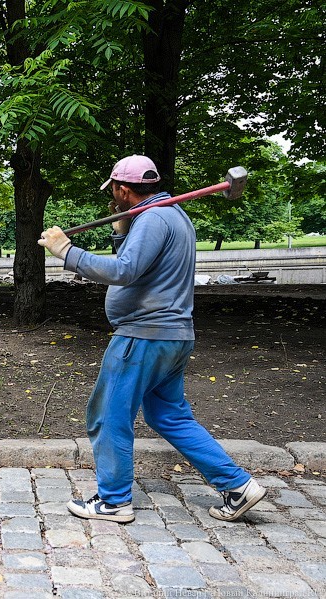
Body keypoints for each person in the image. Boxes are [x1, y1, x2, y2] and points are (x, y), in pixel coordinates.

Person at [37, 155, 266, 524]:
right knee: (168, 416)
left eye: (113, 189)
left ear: (123, 189)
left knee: (108, 414)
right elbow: (140, 263)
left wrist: (65, 250)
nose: (112, 195)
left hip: (143, 336)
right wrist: (124, 228)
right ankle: (237, 485)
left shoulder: (155, 217)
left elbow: (123, 271)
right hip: (172, 335)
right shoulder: (170, 215)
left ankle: (113, 502)